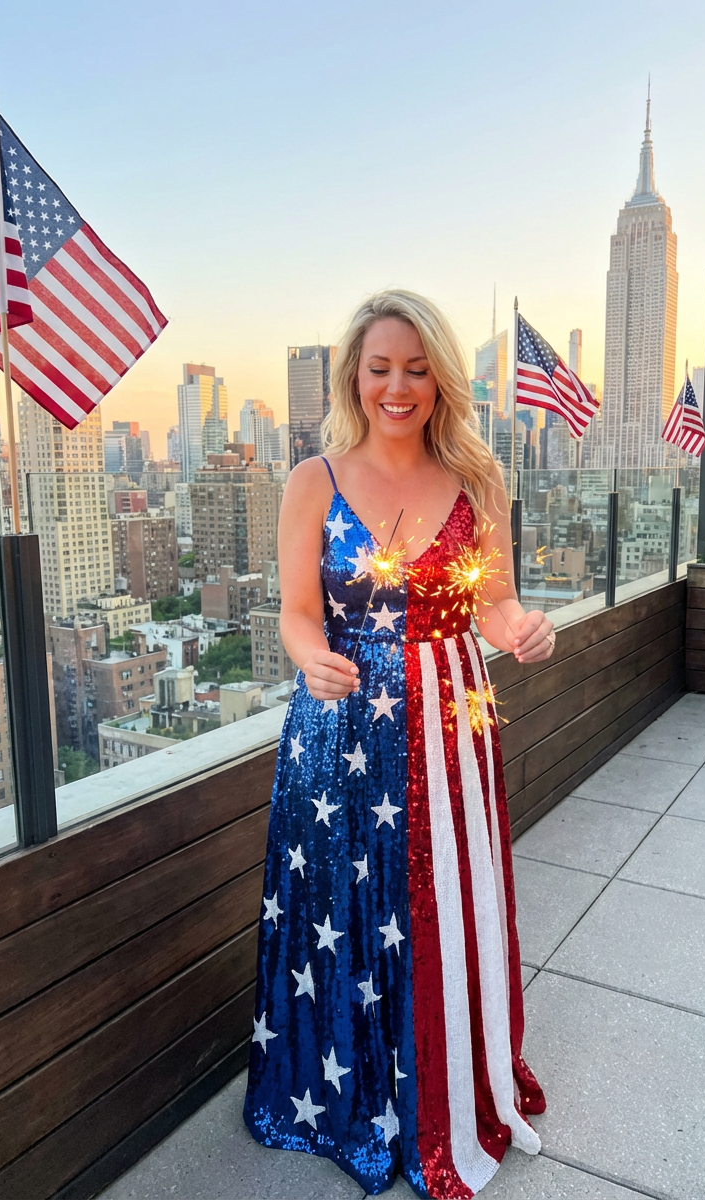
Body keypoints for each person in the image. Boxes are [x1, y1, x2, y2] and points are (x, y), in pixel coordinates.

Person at [244, 290, 554, 1198]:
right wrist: (309, 658)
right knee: (345, 903)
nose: (398, 386)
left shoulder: (478, 478)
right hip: (338, 730)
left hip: (451, 721)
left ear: (442, 379)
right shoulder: (312, 480)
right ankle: (349, 1094)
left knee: (443, 898)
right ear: (354, 376)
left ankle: (448, 1082)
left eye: (417, 369)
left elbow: (492, 600)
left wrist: (521, 628)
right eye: (380, 368)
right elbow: (297, 612)